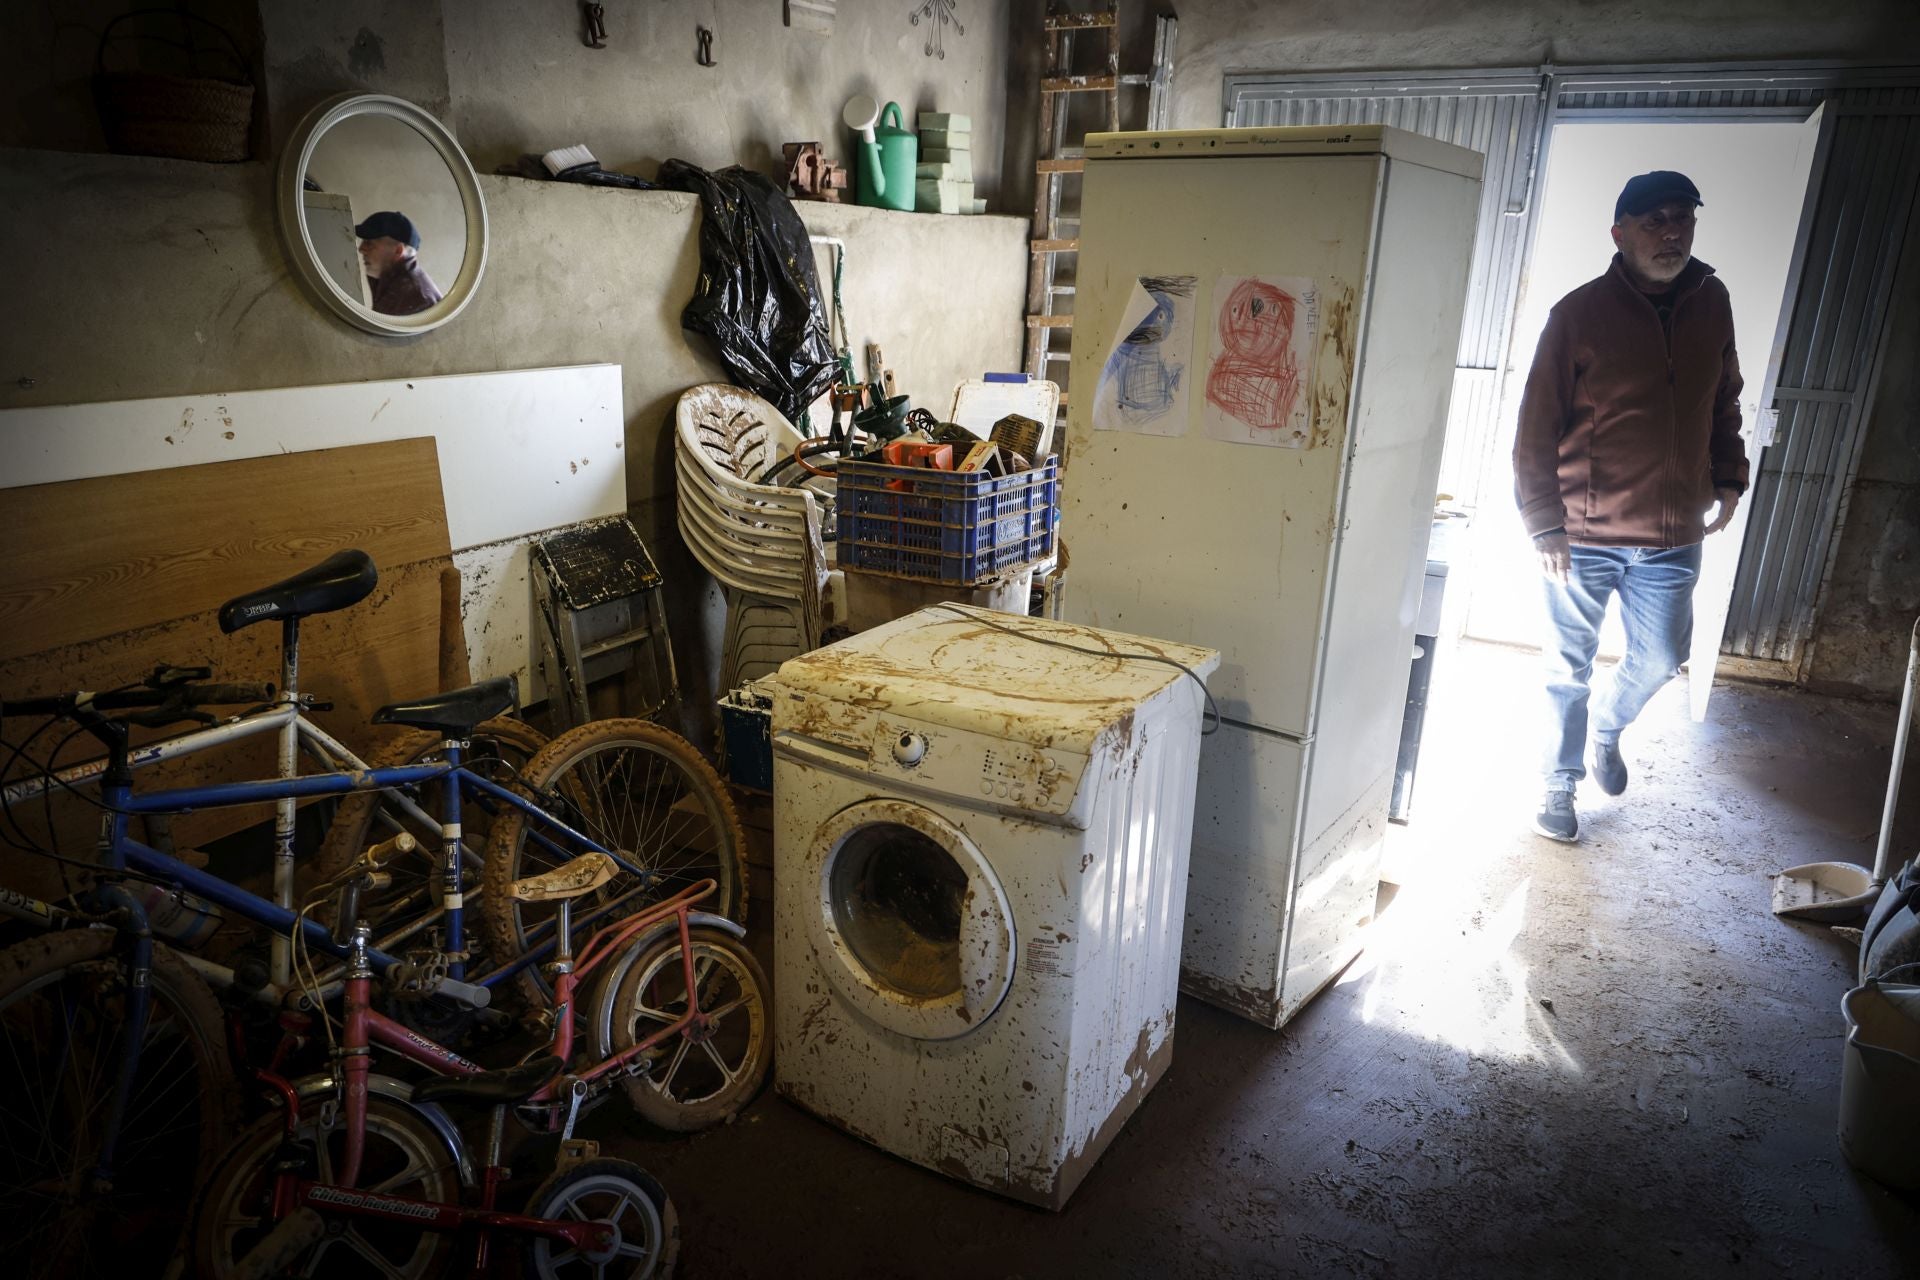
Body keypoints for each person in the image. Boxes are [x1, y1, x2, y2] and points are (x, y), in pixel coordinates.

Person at [1513, 170, 1749, 842]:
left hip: (1674, 534)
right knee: (1568, 666)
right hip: (1582, 535)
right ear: (1619, 233)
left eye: (1683, 218)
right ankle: (1558, 786)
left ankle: (1606, 730)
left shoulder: (1712, 300)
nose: (1672, 232)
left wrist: (1729, 478)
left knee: (1661, 655)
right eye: (1655, 220)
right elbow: (1535, 426)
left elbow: (1724, 398)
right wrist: (1543, 524)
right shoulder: (1578, 315)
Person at [354, 210, 443, 316]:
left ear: (398, 251)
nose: (361, 249)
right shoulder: (395, 285)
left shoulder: (418, 300)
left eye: (369, 243)